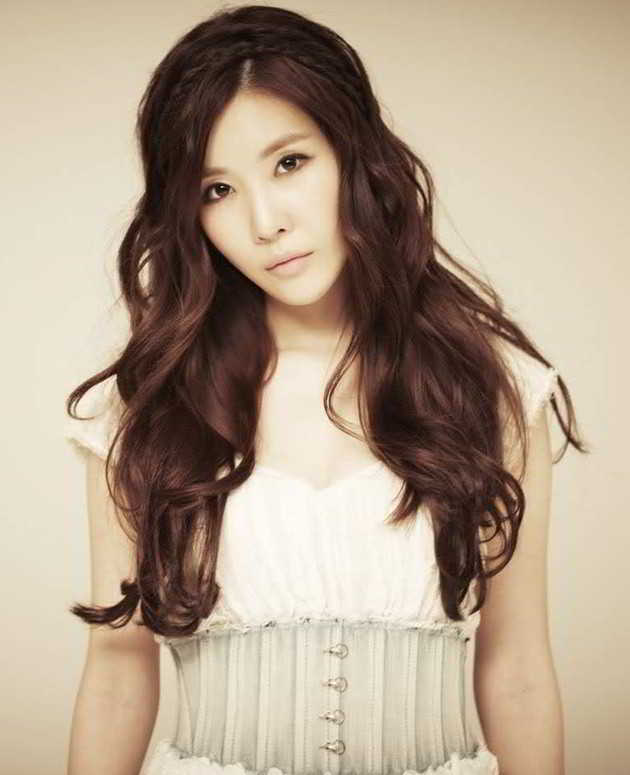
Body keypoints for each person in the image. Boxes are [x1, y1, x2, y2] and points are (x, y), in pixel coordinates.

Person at [63, 5, 587, 775]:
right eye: (217, 189)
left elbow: (517, 665)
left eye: (289, 163)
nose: (264, 221)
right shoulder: (144, 407)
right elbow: (116, 672)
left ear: (353, 153)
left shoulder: (493, 388)